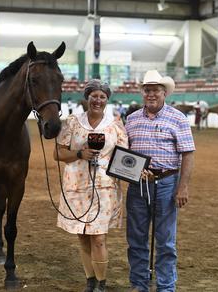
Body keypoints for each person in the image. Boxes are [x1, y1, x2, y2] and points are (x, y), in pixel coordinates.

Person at [53, 79, 128, 292]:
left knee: (98, 238)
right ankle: (90, 280)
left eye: (102, 97)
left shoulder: (115, 125)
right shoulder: (72, 122)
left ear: (107, 100)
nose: (98, 100)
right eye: (94, 96)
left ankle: (101, 283)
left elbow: (124, 157)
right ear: (87, 98)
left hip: (105, 188)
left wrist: (134, 170)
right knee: (83, 237)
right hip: (75, 186)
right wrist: (79, 153)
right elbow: (57, 153)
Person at [125, 70, 195, 292]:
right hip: (138, 185)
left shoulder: (178, 118)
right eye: (147, 90)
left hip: (167, 183)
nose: (151, 94)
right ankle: (139, 284)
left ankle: (166, 286)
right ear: (142, 93)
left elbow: (187, 153)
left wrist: (182, 187)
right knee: (136, 238)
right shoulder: (132, 119)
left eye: (155, 90)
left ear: (164, 93)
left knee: (165, 241)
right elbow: (125, 154)